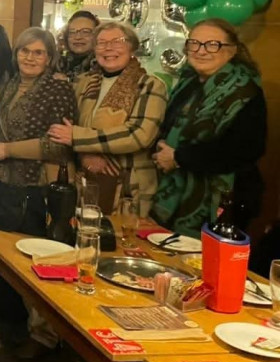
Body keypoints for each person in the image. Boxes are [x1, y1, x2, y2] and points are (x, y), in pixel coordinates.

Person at [0, 27, 76, 359]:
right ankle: (10, 328)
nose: (30, 58)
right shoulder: (10, 85)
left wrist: (8, 150)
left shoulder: (58, 89)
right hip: (7, 186)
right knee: (4, 262)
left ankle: (44, 335)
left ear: (49, 58)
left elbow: (60, 145)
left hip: (39, 189)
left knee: (38, 263)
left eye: (38, 53)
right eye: (25, 51)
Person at [151, 18, 266, 236]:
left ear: (232, 50)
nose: (201, 51)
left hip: (224, 200)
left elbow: (246, 150)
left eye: (213, 44)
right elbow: (169, 126)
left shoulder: (244, 91)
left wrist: (178, 157)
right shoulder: (187, 82)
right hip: (174, 188)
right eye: (194, 43)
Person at [47, 22, 167, 215]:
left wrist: (79, 139)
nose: (108, 48)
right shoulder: (84, 83)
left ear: (132, 46)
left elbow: (138, 134)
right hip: (86, 180)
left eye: (117, 42)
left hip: (128, 189)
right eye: (101, 43)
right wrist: (84, 151)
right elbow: (66, 126)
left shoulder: (150, 85)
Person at [57, 10, 100, 82]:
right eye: (72, 32)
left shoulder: (102, 66)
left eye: (85, 32)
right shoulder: (58, 65)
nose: (78, 37)